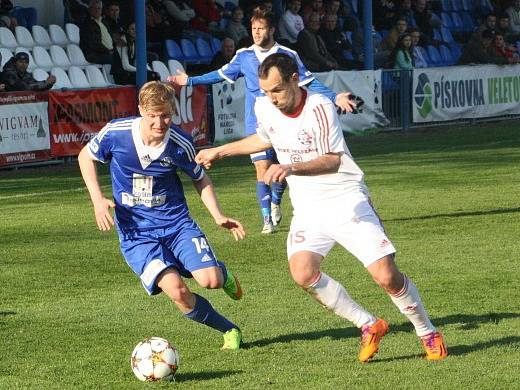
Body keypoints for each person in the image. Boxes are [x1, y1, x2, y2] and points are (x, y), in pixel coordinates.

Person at [196, 53, 448, 363]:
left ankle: (427, 331)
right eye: (265, 91)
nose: (271, 98)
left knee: (386, 276)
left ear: (293, 80)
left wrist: (290, 167)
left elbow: (333, 159)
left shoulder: (319, 106)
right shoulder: (264, 106)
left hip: (346, 198)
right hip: (309, 207)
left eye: (277, 90)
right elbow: (264, 137)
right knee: (303, 273)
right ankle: (369, 325)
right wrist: (220, 151)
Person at [78, 81, 245, 350]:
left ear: (173, 111)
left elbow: (201, 178)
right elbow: (85, 157)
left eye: (165, 114)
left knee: (210, 281)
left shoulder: (180, 143)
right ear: (141, 109)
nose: (159, 122)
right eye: (153, 115)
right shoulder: (116, 133)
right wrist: (98, 200)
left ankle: (221, 273)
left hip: (176, 225)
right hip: (138, 235)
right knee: (177, 291)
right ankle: (229, 329)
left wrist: (217, 215)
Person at [168, 7, 357, 234]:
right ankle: (266, 219)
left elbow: (308, 82)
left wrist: (334, 96)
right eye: (254, 29)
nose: (256, 33)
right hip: (256, 122)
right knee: (262, 168)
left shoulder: (287, 55)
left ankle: (276, 199)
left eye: (261, 28)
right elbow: (220, 74)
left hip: (286, 119)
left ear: (272, 29)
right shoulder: (244, 56)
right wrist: (190, 81)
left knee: (283, 167)